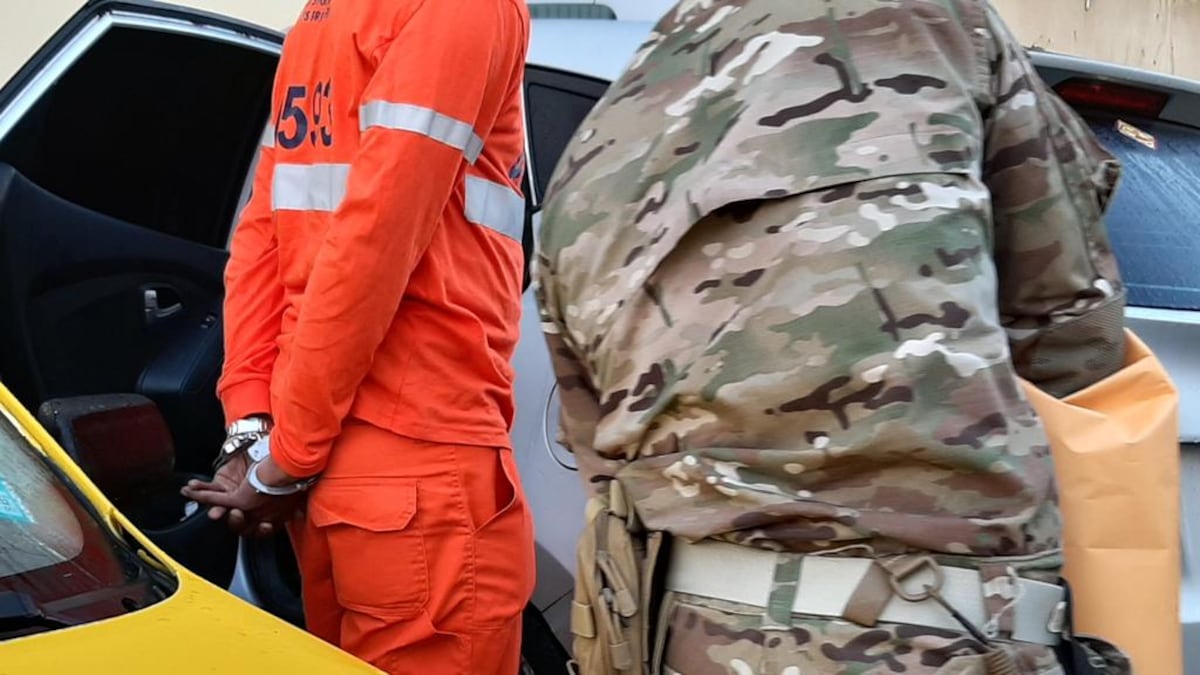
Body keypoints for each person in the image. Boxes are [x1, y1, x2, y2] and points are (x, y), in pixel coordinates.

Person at [534, 0, 1131, 672]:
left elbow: (596, 441)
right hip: (928, 635)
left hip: (687, 636)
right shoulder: (931, 24)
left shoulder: (607, 124)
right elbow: (1071, 334)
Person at [180, 1, 536, 673]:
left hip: (334, 468)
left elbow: (262, 236)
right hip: (419, 450)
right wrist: (285, 456)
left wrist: (257, 427)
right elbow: (372, 239)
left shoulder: (324, 18)